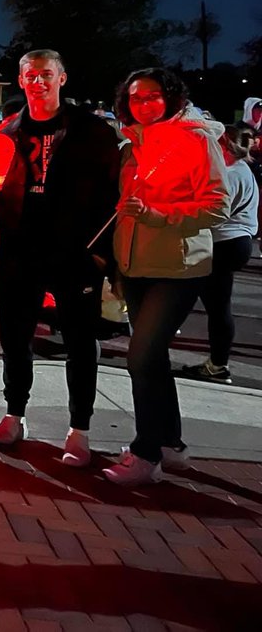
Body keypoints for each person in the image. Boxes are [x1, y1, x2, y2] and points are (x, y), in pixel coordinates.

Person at [0, 49, 121, 466]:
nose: (37, 82)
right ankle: (14, 413)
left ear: (62, 78)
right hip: (20, 248)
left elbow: (111, 194)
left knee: (80, 339)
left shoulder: (91, 130)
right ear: (20, 81)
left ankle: (80, 427)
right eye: (29, 75)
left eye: (46, 74)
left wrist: (99, 253)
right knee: (14, 334)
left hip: (74, 251)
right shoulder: (8, 132)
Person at [102, 68, 229, 485]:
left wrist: (160, 216)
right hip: (136, 265)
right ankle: (171, 443)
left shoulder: (196, 139)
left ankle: (146, 453)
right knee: (151, 358)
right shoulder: (133, 142)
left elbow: (216, 206)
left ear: (171, 97)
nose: (144, 104)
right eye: (136, 98)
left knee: (140, 355)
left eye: (153, 96)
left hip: (178, 266)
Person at [178, 125, 258, 385]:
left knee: (202, 299)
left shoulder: (230, 175)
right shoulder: (243, 171)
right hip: (236, 242)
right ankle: (217, 363)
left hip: (225, 243)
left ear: (225, 147)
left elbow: (214, 212)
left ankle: (217, 364)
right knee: (216, 304)